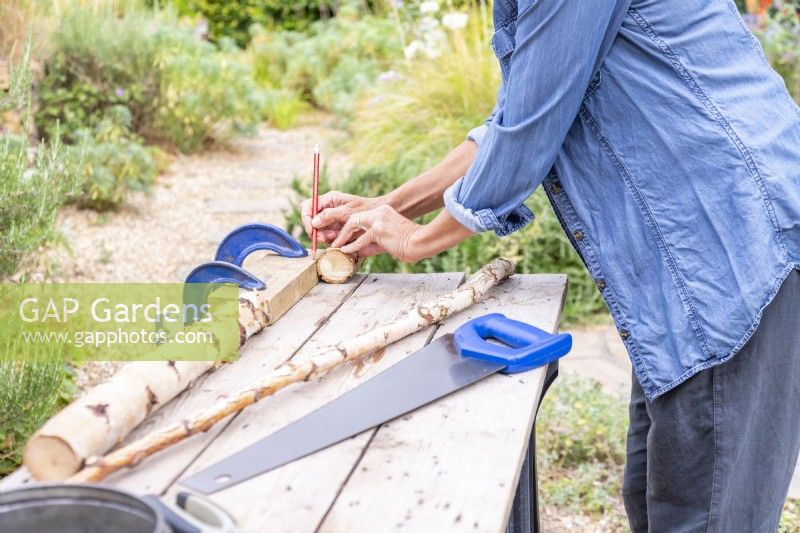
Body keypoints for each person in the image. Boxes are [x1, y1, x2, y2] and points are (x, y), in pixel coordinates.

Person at [301, 1, 800, 530]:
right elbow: (512, 119)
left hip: (733, 243)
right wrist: (388, 210)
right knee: (658, 493)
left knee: (700, 512)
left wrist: (418, 240)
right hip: (689, 259)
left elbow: (529, 128)